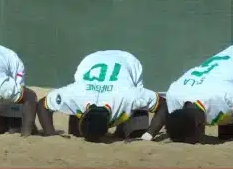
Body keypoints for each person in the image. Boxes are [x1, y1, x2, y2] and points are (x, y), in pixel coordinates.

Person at [37, 50, 166, 142]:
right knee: (76, 133)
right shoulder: (76, 94)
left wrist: (149, 135)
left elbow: (163, 104)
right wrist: (51, 134)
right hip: (91, 61)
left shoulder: (129, 96)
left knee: (133, 132)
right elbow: (43, 105)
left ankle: (122, 129)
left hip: (128, 61)